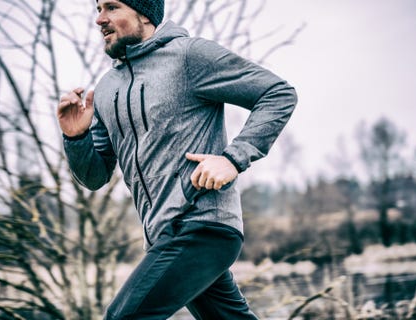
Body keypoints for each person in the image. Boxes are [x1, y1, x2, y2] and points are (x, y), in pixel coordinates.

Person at [57, 0, 297, 319]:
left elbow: (277, 94)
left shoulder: (189, 56)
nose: (100, 19)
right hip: (162, 236)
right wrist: (75, 138)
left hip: (203, 226)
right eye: (98, 9)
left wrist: (232, 159)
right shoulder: (105, 90)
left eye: (112, 7)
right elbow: (94, 176)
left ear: (144, 13)